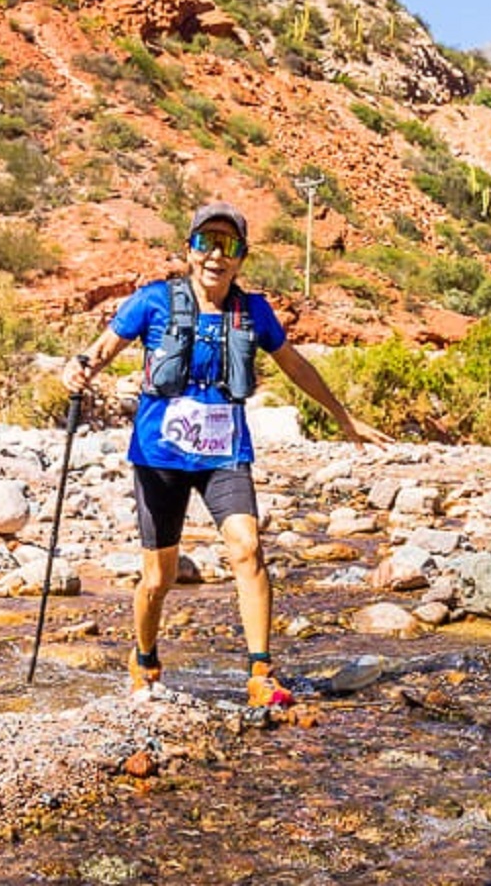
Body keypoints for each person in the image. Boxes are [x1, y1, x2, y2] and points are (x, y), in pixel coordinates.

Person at [61, 201, 391, 708]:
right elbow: (100, 350)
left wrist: (345, 418)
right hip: (159, 456)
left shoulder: (252, 312)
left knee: (247, 548)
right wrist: (78, 369)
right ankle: (144, 656)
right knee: (159, 576)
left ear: (241, 257)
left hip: (224, 453)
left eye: (228, 245)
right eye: (205, 243)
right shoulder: (152, 302)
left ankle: (260, 670)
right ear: (189, 251)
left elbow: (295, 365)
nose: (216, 254)